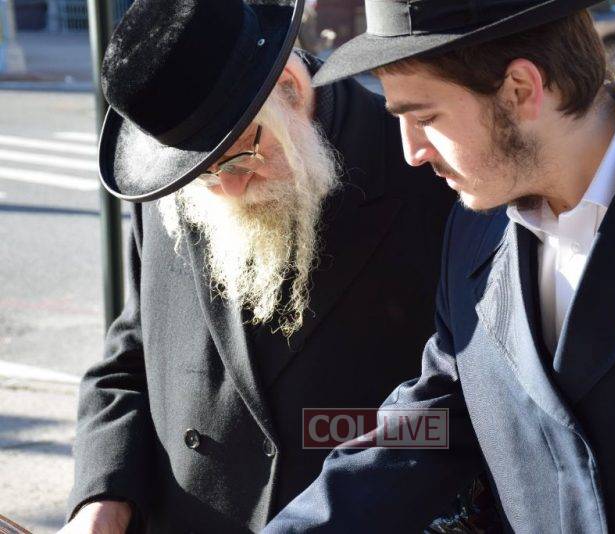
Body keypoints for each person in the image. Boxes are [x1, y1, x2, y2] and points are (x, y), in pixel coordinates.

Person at [263, 0, 615, 532]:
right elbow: (440, 419)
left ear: (521, 90)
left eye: (424, 118)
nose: (412, 151)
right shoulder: (473, 230)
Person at [60, 0, 461, 532]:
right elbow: (131, 357)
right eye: (204, 174)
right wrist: (103, 495)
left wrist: (331, 447)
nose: (226, 189)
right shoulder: (177, 181)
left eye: (239, 157)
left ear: (290, 90)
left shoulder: (429, 177)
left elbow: (449, 416)